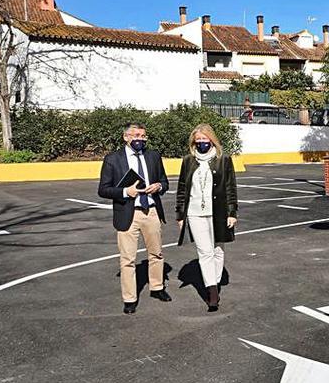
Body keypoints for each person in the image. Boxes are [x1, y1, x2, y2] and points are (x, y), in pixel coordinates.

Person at [97, 122, 171, 314]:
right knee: (127, 259)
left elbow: (164, 181)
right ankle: (129, 299)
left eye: (143, 136)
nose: (140, 139)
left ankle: (157, 287)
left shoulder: (153, 156)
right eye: (136, 135)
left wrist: (159, 187)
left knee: (156, 254)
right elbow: (103, 189)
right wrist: (125, 191)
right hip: (128, 213)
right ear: (126, 137)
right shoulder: (113, 159)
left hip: (151, 211)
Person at [175, 124, 238, 312]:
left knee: (218, 250)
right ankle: (212, 292)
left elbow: (230, 187)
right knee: (205, 252)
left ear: (212, 140)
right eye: (198, 139)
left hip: (218, 212)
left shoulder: (223, 160)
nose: (202, 142)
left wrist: (232, 213)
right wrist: (180, 215)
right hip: (195, 213)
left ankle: (215, 282)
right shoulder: (188, 161)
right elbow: (181, 189)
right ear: (194, 141)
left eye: (205, 139)